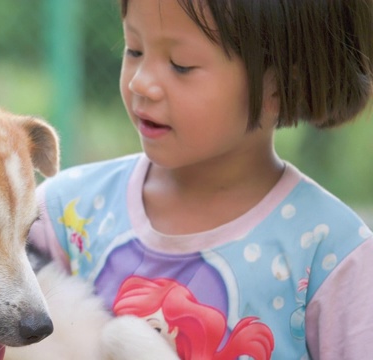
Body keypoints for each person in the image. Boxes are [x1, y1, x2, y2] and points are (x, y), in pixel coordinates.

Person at [28, 0, 373, 359]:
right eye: (134, 50)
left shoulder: (332, 256)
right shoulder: (63, 216)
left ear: (281, 85)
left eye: (181, 65)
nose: (140, 82)